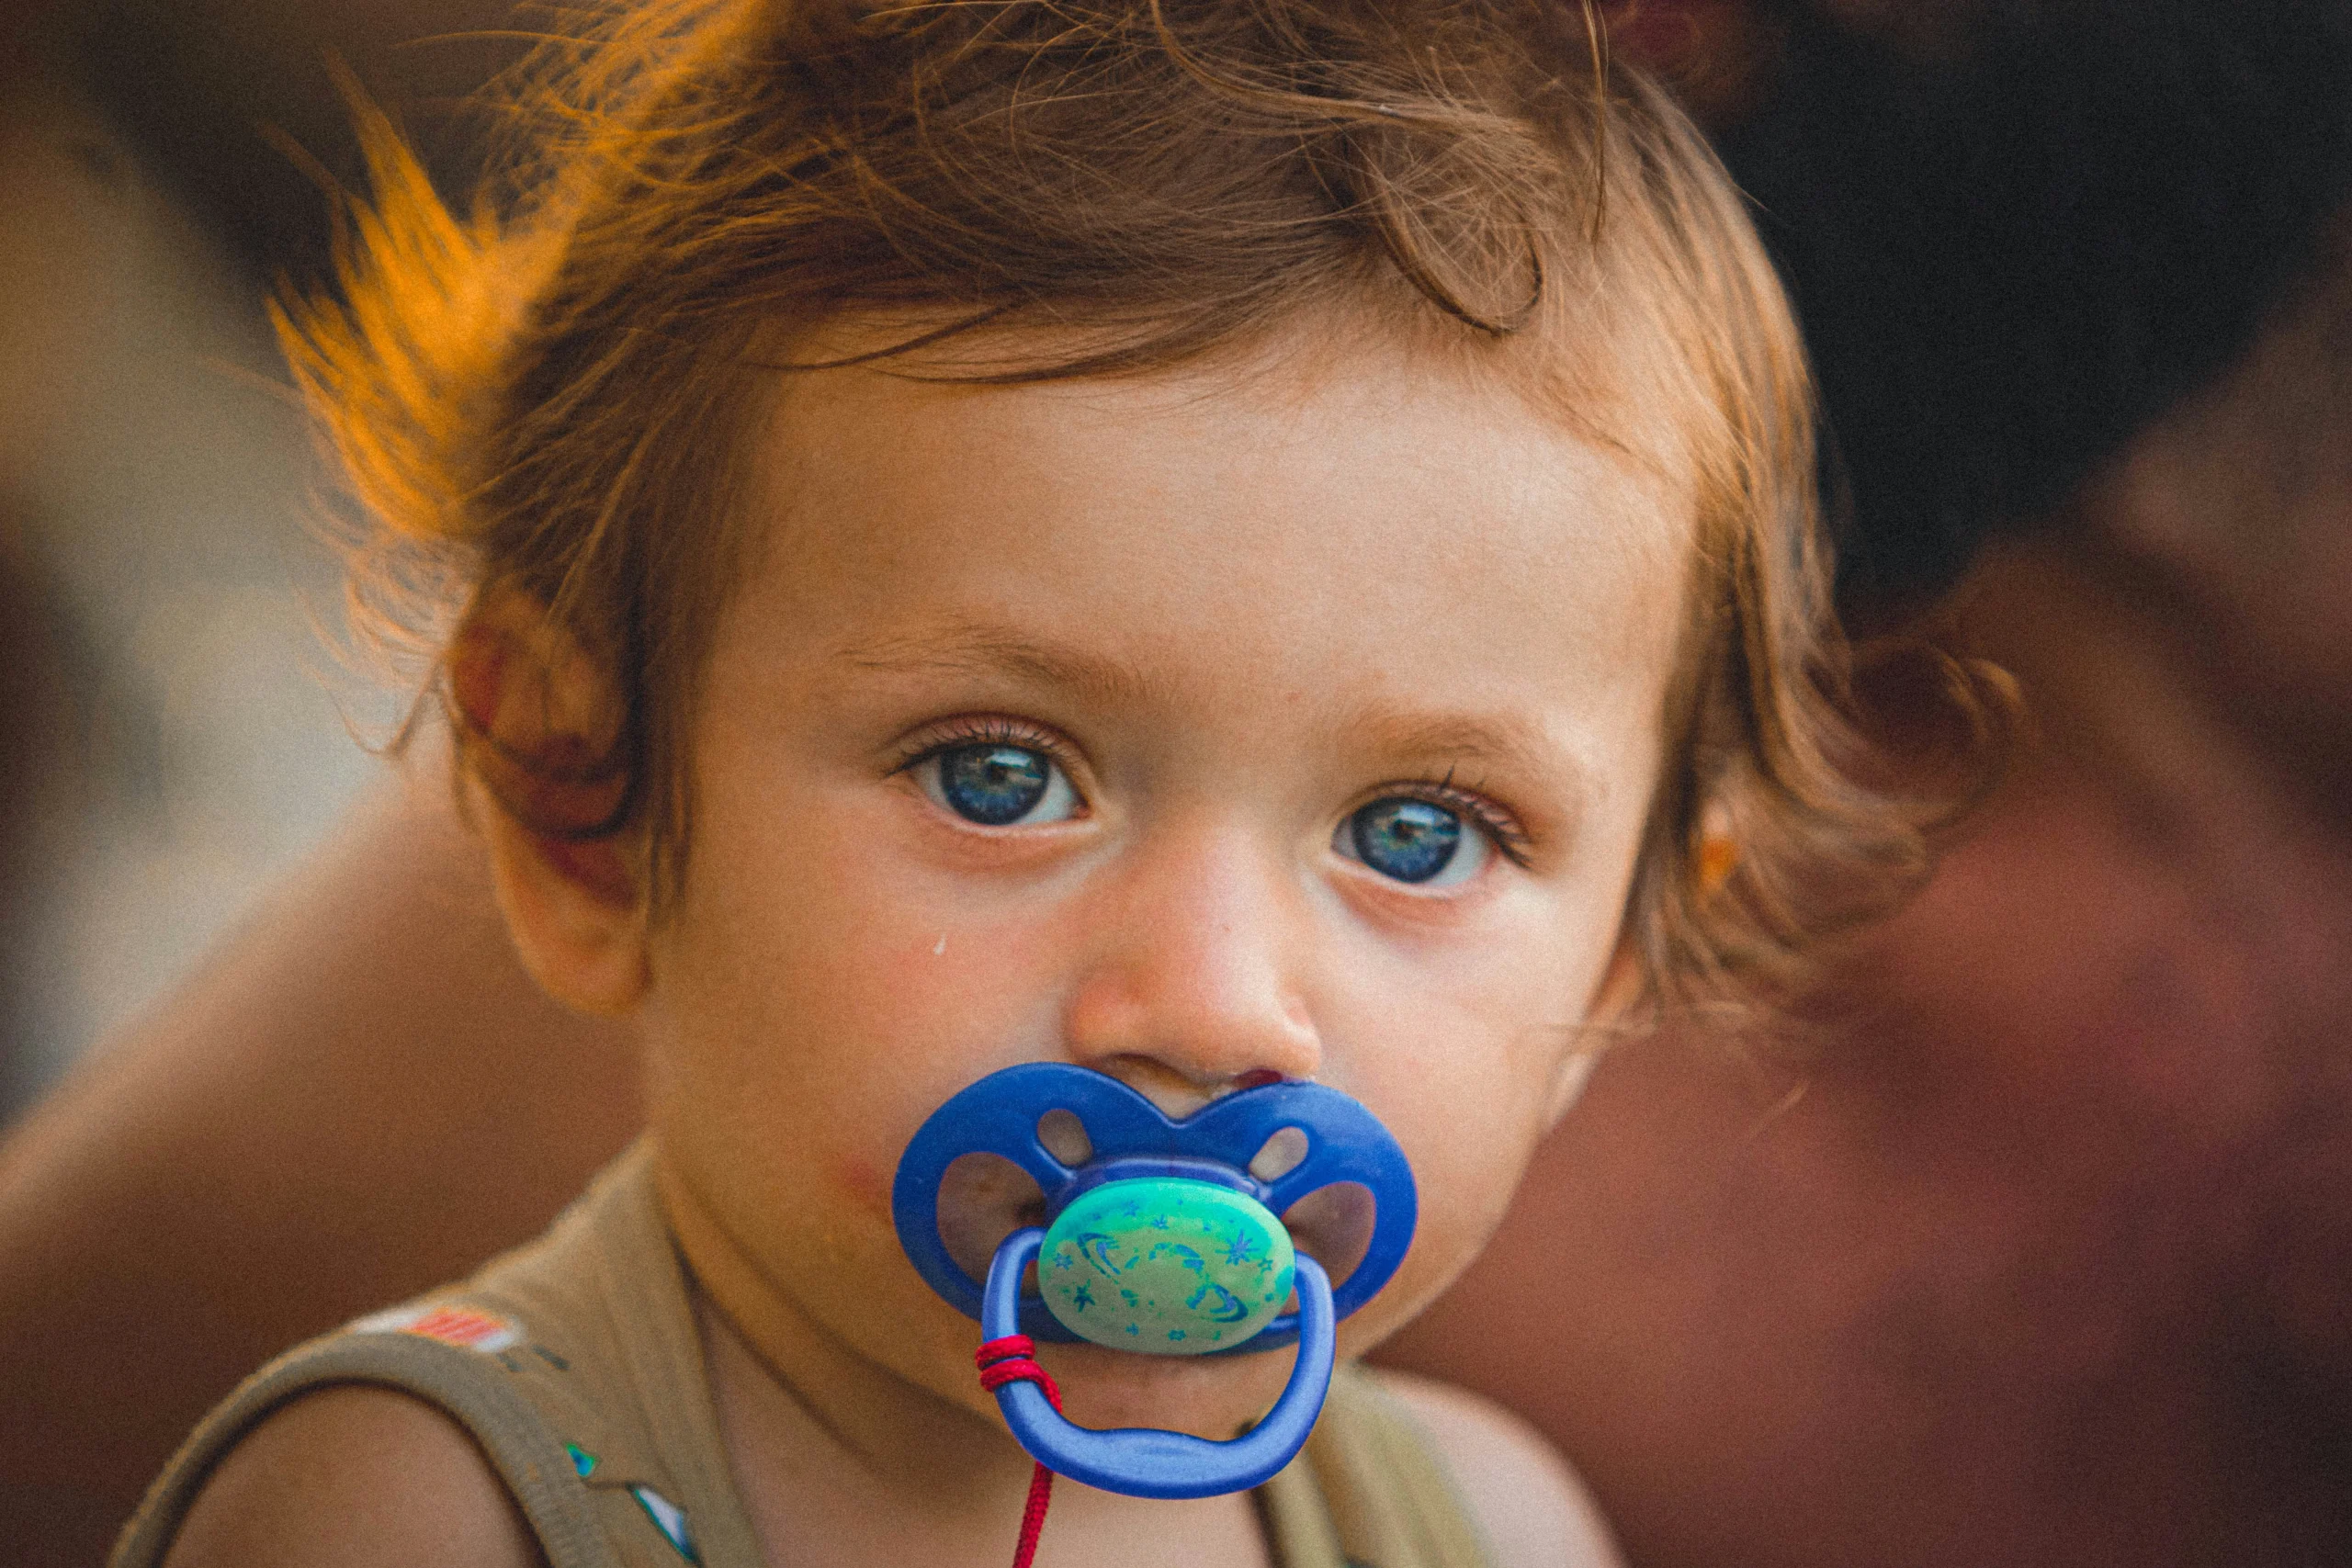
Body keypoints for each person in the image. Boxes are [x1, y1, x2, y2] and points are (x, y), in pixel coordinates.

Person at [99, 2, 1957, 1564]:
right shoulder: (416, 1511)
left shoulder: (1481, 1530)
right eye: (999, 776)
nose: (1215, 1002)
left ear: (1619, 959)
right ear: (581, 803)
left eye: (1414, 832)